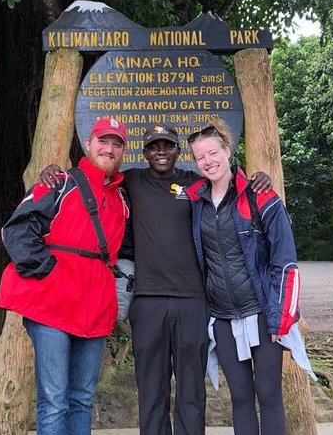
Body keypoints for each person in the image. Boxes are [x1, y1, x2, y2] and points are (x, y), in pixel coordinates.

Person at [39, 123, 272, 435]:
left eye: (168, 145)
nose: (161, 152)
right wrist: (54, 170)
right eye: (153, 146)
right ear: (145, 152)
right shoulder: (132, 181)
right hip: (147, 303)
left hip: (192, 301)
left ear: (178, 151)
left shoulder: (195, 184)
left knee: (191, 392)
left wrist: (257, 178)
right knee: (152, 391)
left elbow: (228, 186)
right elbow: (97, 175)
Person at [0, 117, 130, 435]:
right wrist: (50, 272)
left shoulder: (120, 199)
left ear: (122, 151)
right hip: (53, 305)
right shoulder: (60, 183)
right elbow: (15, 231)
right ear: (88, 143)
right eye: (103, 141)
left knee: (83, 398)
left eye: (116, 144)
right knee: (55, 400)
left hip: (95, 307)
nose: (109, 149)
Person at [185, 119, 316, 435]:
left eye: (213, 153)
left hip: (262, 314)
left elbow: (285, 263)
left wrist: (279, 318)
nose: (208, 161)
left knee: (269, 396)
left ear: (227, 150)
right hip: (224, 317)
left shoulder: (260, 197)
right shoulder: (195, 203)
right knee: (240, 398)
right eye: (200, 157)